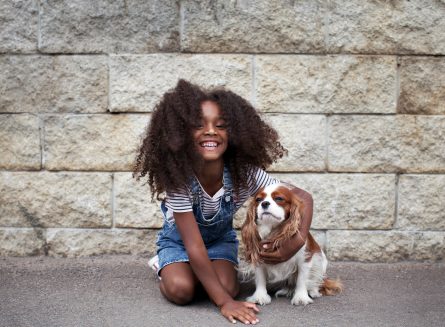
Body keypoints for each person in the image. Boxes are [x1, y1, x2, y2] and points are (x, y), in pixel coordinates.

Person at [133, 79, 313, 325]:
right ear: (181, 134)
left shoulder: (244, 174)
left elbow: (304, 197)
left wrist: (298, 240)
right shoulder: (180, 181)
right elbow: (194, 246)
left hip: (219, 242)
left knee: (228, 287)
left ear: (235, 133)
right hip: (181, 244)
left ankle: (199, 275)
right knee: (182, 291)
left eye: (221, 125)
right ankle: (165, 266)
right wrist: (225, 304)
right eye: (199, 125)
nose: (210, 131)